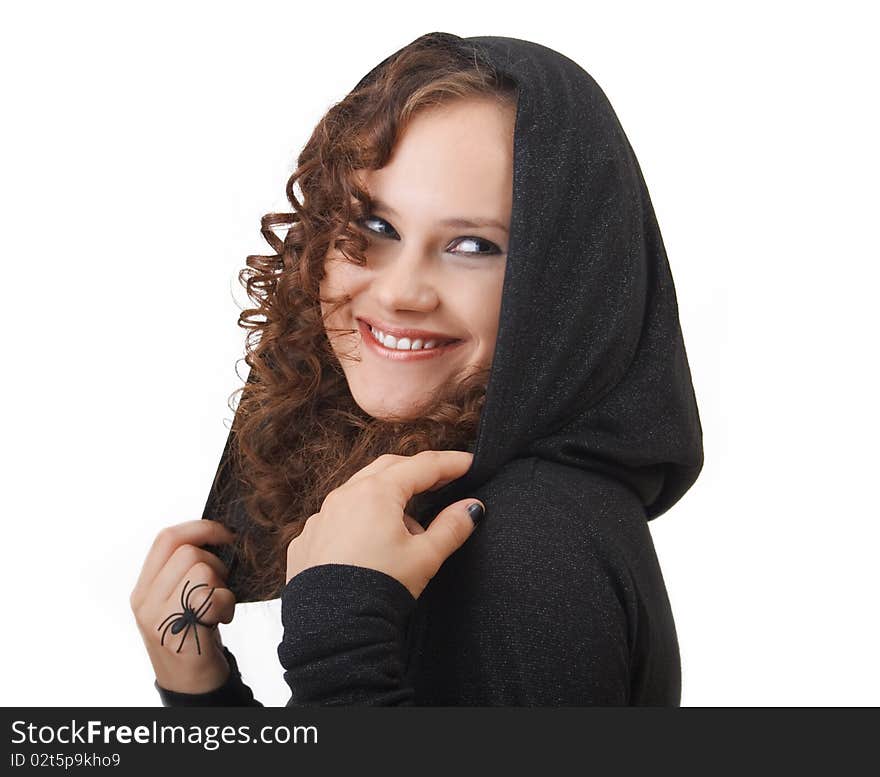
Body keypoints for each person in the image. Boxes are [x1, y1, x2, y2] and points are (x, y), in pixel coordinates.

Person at [130, 31, 704, 707]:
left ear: (563, 282)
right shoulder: (474, 502)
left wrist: (339, 637)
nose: (402, 290)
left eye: (471, 244)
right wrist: (202, 690)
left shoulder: (526, 543)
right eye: (374, 226)